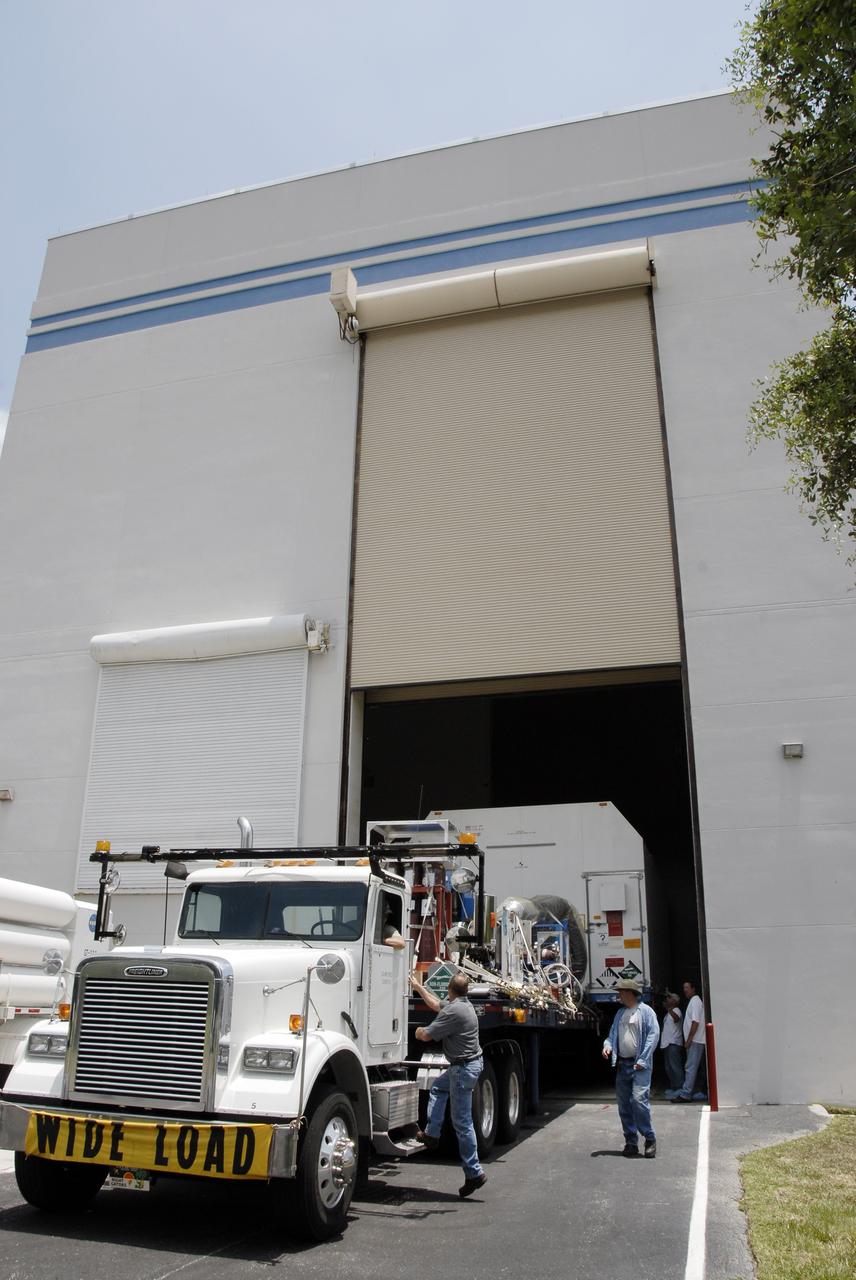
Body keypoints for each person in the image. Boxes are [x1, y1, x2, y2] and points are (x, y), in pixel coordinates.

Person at [410, 971, 486, 1198]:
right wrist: (418, 987)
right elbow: (436, 1005)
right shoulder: (464, 1005)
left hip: (463, 1069)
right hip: (465, 1066)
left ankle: (474, 1172)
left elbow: (426, 1036)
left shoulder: (454, 1011)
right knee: (438, 1088)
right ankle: (432, 1134)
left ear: (450, 990)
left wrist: (417, 1031)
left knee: (462, 1123)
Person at [602, 977, 659, 1158]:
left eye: (621, 992)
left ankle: (649, 1138)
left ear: (629, 993)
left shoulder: (646, 1012)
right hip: (623, 1065)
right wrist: (608, 1045)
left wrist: (643, 1059)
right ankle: (631, 1142)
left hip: (640, 1065)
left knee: (639, 1101)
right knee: (624, 1105)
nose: (619, 995)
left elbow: (653, 1035)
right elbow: (612, 1035)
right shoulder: (620, 1014)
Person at [672, 979, 706, 1102]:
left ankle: (686, 1094)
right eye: (684, 987)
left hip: (695, 1040)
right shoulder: (693, 1001)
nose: (685, 990)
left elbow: (695, 1022)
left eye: (687, 987)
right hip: (695, 1040)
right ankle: (689, 1091)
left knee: (690, 1067)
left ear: (693, 988)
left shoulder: (695, 1001)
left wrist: (689, 1040)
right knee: (692, 1066)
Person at [660, 991, 684, 1097]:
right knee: (669, 1067)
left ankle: (680, 1088)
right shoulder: (668, 1013)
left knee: (675, 1067)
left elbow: (677, 1018)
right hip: (668, 1044)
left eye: (669, 998)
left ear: (674, 1001)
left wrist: (669, 1009)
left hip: (673, 1043)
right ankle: (674, 1087)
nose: (667, 1000)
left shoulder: (676, 1010)